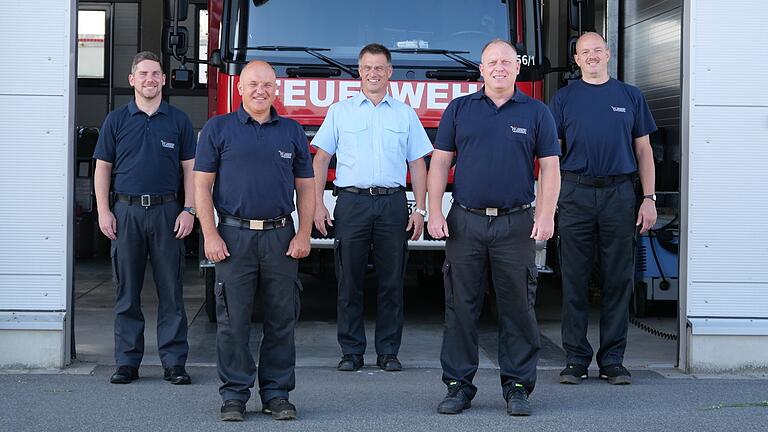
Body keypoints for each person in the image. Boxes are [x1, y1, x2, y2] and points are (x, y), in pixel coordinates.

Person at [427, 39, 560, 417]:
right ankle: (458, 386)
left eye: (506, 61)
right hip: (465, 221)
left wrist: (546, 214)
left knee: (518, 308)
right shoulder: (460, 109)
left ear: (517, 68)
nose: (499, 67)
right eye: (492, 62)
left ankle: (517, 386)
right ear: (481, 70)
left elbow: (550, 167)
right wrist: (433, 211)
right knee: (460, 307)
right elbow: (440, 163)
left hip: (516, 223)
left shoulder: (537, 112)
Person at [194, 60, 314, 422]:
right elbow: (201, 185)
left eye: (267, 85)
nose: (260, 91)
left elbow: (306, 188)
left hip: (280, 237)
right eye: (253, 84)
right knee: (233, 321)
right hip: (233, 236)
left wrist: (304, 232)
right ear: (240, 88)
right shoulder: (218, 129)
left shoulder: (292, 132)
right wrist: (210, 233)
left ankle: (277, 394)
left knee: (282, 319)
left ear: (276, 89)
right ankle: (234, 396)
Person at [312, 43, 432, 372]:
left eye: (380, 67)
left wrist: (419, 209)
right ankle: (351, 352)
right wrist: (317, 204)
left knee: (392, 282)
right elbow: (320, 158)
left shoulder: (405, 113)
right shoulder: (341, 111)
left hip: (392, 204)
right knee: (348, 281)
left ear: (390, 72)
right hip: (351, 203)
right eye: (367, 67)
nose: (373, 73)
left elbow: (419, 164)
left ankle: (388, 352)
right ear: (359, 71)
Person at [549, 32, 657, 386]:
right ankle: (576, 360)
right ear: (577, 59)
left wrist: (649, 198)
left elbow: (643, 151)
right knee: (574, 280)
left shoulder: (630, 96)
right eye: (585, 52)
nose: (592, 56)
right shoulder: (563, 99)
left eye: (598, 50)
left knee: (617, 280)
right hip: (575, 194)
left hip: (619, 195)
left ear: (608, 54)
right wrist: (547, 205)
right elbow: (551, 157)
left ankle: (612, 361)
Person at [93, 51, 196, 386]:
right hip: (126, 214)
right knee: (127, 291)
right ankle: (127, 362)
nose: (150, 79)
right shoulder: (116, 121)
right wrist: (104, 210)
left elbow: (191, 170)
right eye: (144, 74)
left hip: (169, 213)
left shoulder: (178, 121)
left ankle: (174, 363)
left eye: (156, 74)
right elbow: (102, 169)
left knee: (171, 292)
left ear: (164, 79)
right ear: (132, 80)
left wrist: (190, 209)